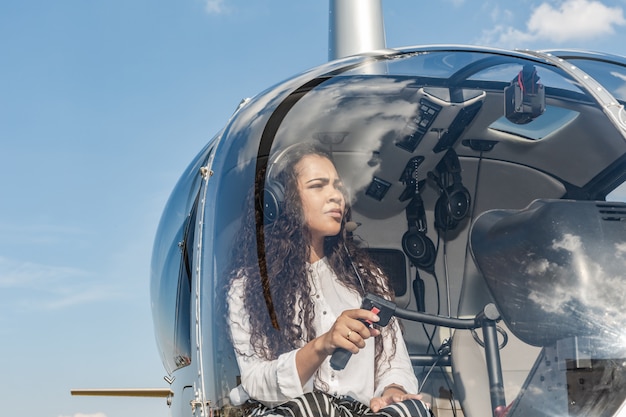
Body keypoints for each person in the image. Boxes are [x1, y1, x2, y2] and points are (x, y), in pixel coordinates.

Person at [225, 143, 431, 417]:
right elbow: (255, 381)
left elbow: (394, 361)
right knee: (312, 407)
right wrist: (322, 345)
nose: (336, 195)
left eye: (337, 186)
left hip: (361, 412)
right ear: (282, 201)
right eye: (318, 186)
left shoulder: (367, 278)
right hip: (295, 411)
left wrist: (393, 391)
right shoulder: (247, 286)